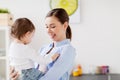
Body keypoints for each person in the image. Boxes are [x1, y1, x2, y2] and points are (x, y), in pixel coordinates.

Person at [10, 8, 76, 80]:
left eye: (52, 26)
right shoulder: (44, 48)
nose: (48, 31)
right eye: (46, 27)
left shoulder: (68, 50)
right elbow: (31, 71)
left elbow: (50, 77)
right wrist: (16, 76)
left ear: (65, 25)